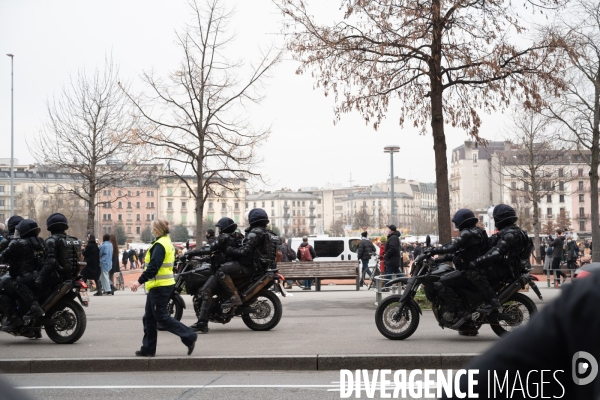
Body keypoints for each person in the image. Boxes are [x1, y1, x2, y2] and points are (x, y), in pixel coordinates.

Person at [443, 270, 600, 399]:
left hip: (488, 272)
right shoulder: (587, 298)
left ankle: (465, 312)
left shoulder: (589, 297)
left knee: (448, 281)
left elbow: (465, 388)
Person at [130, 219, 197, 357]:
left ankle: (189, 335)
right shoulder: (166, 241)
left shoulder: (160, 245)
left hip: (160, 286)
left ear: (156, 230)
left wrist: (139, 282)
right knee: (149, 317)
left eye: (152, 228)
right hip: (161, 285)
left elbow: (154, 267)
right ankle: (148, 349)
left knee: (161, 317)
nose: (151, 230)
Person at [426, 208, 491, 328]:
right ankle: (467, 325)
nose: (456, 224)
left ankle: (461, 312)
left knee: (442, 282)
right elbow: (460, 253)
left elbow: (453, 247)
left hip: (470, 272)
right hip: (476, 270)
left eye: (457, 222)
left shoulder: (467, 233)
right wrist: (439, 259)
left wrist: (433, 251)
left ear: (463, 221)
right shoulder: (477, 232)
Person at [184, 217, 241, 333]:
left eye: (220, 228)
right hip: (226, 268)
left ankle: (202, 323)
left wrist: (191, 252)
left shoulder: (224, 237)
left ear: (224, 228)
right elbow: (215, 252)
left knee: (205, 291)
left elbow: (210, 248)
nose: (218, 230)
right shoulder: (233, 236)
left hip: (221, 270)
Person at [469, 204, 529, 312]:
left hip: (506, 269)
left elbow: (496, 252)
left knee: (473, 273)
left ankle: (492, 301)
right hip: (508, 267)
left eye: (496, 218)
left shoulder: (511, 233)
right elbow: (491, 244)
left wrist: (477, 261)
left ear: (501, 219)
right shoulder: (510, 231)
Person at [0, 219, 46, 330]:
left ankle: (14, 319)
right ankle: (33, 329)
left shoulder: (18, 243)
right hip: (37, 275)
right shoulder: (39, 241)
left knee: (2, 289)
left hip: (23, 276)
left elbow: (3, 256)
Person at [226, 208, 279, 301]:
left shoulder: (254, 233)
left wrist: (230, 250)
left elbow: (244, 251)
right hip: (264, 266)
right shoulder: (269, 233)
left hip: (252, 265)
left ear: (252, 220)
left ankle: (234, 295)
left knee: (221, 270)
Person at [35, 213, 83, 290]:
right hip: (72, 275)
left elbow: (51, 260)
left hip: (56, 277)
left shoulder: (51, 240)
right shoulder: (74, 240)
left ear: (50, 227)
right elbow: (81, 258)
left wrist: (40, 277)